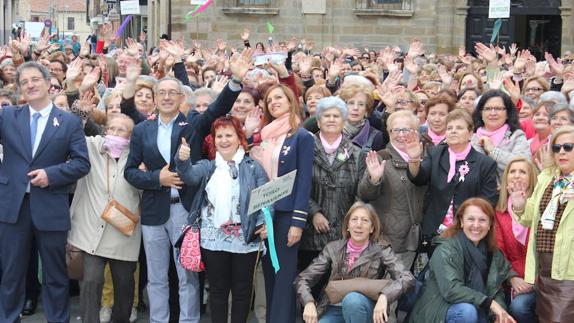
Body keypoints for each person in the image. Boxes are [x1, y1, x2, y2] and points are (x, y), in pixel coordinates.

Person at [123, 51, 251, 322]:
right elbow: (131, 172)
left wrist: (236, 79)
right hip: (154, 212)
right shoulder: (141, 131)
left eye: (173, 92)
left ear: (181, 98)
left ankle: (188, 320)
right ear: (155, 99)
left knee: (187, 275)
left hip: (185, 211)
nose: (167, 97)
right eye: (162, 92)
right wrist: (158, 178)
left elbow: (217, 109)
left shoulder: (192, 124)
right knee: (157, 277)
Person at [0, 61, 90, 322]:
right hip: (13, 208)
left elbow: (82, 163)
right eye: (24, 82)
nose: (30, 85)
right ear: (19, 89)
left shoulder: (68, 122)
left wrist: (51, 175)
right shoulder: (8, 116)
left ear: (48, 82)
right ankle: (8, 318)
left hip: (50, 205)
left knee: (55, 275)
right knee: (11, 273)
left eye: (35, 79)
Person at [175, 116, 268, 323]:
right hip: (212, 239)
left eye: (229, 135)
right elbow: (189, 176)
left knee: (243, 292)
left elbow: (266, 200)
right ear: (214, 140)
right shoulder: (208, 167)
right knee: (217, 291)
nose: (224, 140)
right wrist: (182, 160)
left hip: (245, 240)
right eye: (219, 136)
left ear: (239, 139)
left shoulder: (254, 167)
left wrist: (265, 224)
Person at [250, 83, 314, 323]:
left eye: (279, 97)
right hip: (266, 212)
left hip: (287, 215)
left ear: (291, 101)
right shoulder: (265, 136)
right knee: (269, 274)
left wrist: (298, 222)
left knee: (284, 275)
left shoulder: (302, 136)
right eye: (269, 100)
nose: (273, 102)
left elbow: (305, 181)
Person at [67, 114, 141, 323]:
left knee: (124, 283)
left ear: (131, 136)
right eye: (111, 129)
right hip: (92, 230)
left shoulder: (138, 155)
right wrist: (78, 106)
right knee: (91, 280)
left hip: (124, 230)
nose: (114, 134)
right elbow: (73, 131)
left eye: (121, 130)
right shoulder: (92, 146)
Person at [295, 201, 414, 323]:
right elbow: (302, 279)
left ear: (372, 228)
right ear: (347, 225)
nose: (359, 225)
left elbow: (407, 278)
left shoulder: (382, 250)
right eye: (354, 219)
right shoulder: (333, 248)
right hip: (335, 308)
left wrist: (385, 296)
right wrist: (309, 302)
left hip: (365, 308)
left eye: (365, 220)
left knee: (352, 300)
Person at [408, 198, 517, 323]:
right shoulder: (446, 249)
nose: (476, 225)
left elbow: (496, 290)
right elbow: (451, 290)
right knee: (467, 312)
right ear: (461, 222)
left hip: (478, 307)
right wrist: (489, 303)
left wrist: (498, 315)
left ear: (489, 225)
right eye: (471, 219)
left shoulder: (493, 254)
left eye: (482, 220)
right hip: (439, 311)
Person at [407, 109, 498, 251]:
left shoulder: (485, 164)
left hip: (467, 233)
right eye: (449, 128)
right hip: (434, 230)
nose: (453, 131)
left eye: (459, 128)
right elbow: (419, 178)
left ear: (470, 134)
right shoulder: (436, 153)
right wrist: (413, 160)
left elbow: (488, 202)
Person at [510, 125, 574, 323]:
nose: (561, 151)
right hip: (545, 267)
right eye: (556, 147)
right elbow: (532, 217)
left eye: (568, 147)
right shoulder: (547, 177)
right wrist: (520, 205)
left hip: (569, 267)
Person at [299, 97, 365, 272]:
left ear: (344, 121)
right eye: (326, 116)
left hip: (343, 235)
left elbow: (361, 194)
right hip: (309, 235)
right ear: (318, 121)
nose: (331, 119)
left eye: (336, 116)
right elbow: (297, 187)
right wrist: (314, 213)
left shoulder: (357, 154)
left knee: (336, 291)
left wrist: (350, 223)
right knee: (308, 288)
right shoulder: (304, 149)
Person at [358, 110, 427, 269]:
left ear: (416, 132)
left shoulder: (426, 156)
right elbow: (364, 195)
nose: (401, 135)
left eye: (406, 130)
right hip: (388, 240)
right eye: (396, 130)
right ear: (388, 133)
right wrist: (374, 179)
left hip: (418, 239)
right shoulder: (381, 157)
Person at [494, 157, 539, 323]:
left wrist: (534, 282)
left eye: (522, 172)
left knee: (519, 307)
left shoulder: (542, 206)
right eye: (512, 171)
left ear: (532, 178)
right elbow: (499, 251)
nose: (517, 175)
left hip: (540, 280)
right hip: (513, 279)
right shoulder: (499, 212)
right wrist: (512, 277)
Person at [471, 90, 531, 179]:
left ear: (507, 114)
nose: (493, 113)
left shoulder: (516, 135)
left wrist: (492, 150)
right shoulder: (471, 137)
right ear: (481, 113)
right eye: (487, 109)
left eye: (498, 109)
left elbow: (523, 165)